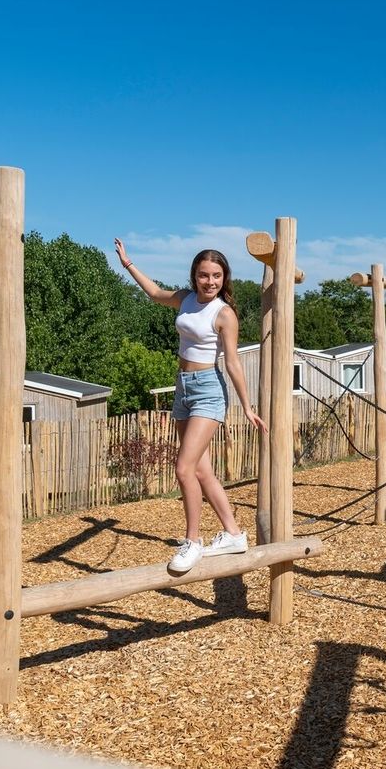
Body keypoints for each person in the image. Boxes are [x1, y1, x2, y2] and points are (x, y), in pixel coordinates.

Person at [114, 239, 267, 573]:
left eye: (216, 275)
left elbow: (233, 363)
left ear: (224, 278)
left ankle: (192, 541)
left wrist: (246, 406)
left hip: (209, 390)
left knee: (183, 468)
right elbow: (154, 293)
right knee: (200, 470)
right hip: (182, 387)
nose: (209, 281)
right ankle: (234, 534)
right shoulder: (185, 299)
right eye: (203, 275)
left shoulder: (224, 314)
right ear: (194, 276)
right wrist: (128, 264)